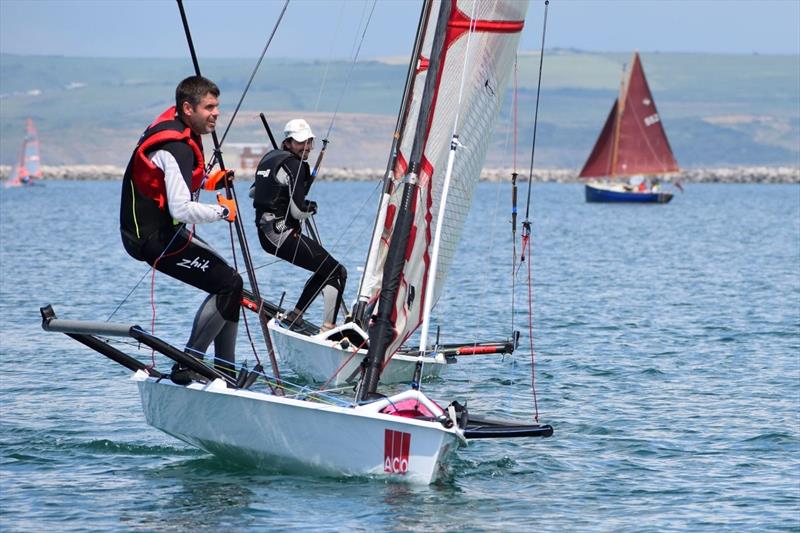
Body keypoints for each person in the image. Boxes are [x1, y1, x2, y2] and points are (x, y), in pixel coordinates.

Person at [119, 75, 242, 383]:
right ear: (188, 108)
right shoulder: (176, 146)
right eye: (209, 107)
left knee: (230, 284)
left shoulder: (177, 131)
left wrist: (209, 181)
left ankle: (223, 372)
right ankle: (190, 364)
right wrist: (222, 211)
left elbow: (169, 183)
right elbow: (181, 209)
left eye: (217, 107)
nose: (216, 114)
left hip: (157, 233)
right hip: (153, 239)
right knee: (229, 284)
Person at [251, 119, 346, 332]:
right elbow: (298, 210)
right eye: (300, 143)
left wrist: (281, 188)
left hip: (266, 233)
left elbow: (253, 192)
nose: (307, 148)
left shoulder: (270, 159)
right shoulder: (296, 165)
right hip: (280, 233)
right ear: (288, 143)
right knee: (337, 272)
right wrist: (311, 207)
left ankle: (296, 315)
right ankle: (328, 328)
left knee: (326, 268)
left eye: (309, 142)